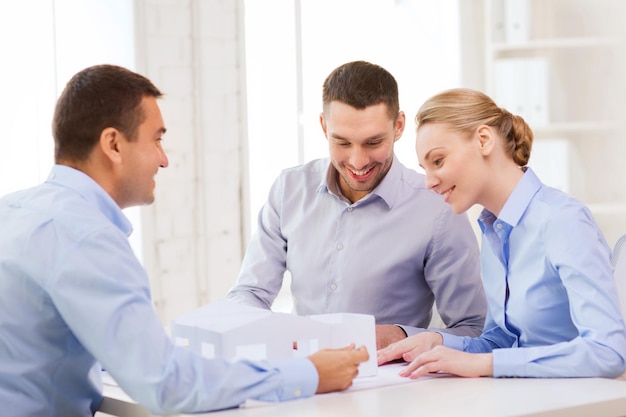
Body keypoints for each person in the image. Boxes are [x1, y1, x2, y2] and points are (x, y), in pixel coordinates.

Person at [0, 64, 369, 417]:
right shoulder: (87, 238)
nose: (164, 160)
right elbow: (164, 383)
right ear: (113, 144)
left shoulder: (12, 211)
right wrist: (309, 373)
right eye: (157, 140)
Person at [226, 61, 487, 349]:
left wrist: (400, 336)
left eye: (373, 142)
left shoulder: (437, 208)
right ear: (324, 127)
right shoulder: (289, 189)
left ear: (398, 126)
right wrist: (259, 336)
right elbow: (249, 292)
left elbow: (474, 328)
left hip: (391, 383)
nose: (357, 161)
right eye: (343, 143)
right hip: (303, 375)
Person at [377, 87, 626, 378]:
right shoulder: (493, 230)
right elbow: (502, 342)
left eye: (438, 161)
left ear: (483, 140)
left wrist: (486, 364)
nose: (429, 182)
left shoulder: (561, 220)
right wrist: (440, 341)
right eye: (425, 168)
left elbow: (608, 351)